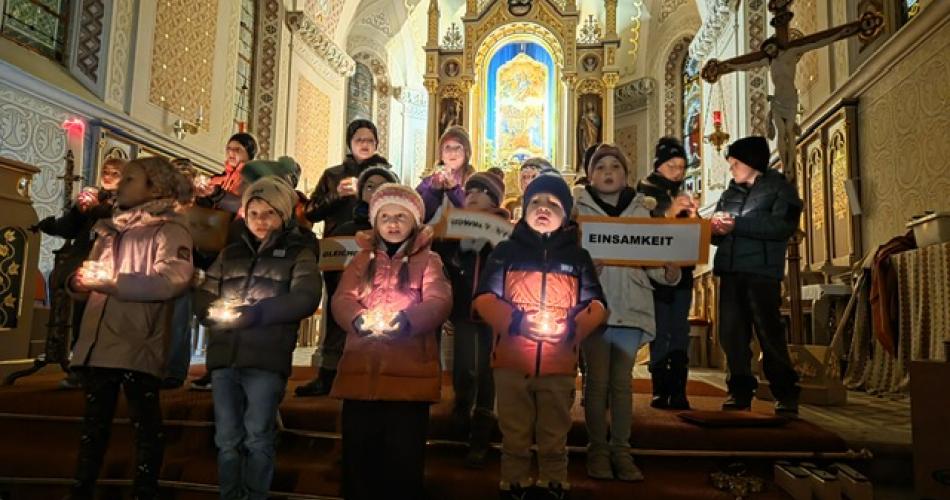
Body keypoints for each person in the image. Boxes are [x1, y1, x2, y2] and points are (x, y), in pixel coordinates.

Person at [66, 157, 195, 500]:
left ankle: (144, 491)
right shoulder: (110, 229)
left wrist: (114, 283)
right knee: (93, 426)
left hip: (138, 340)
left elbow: (172, 281)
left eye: (130, 179)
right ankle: (82, 488)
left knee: (145, 426)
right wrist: (79, 283)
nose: (120, 185)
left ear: (155, 187)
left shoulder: (170, 230)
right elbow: (93, 274)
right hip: (99, 339)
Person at [474, 174, 607, 500]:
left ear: (567, 214)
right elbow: (483, 299)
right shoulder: (505, 252)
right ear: (523, 208)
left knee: (554, 431)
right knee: (514, 431)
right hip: (511, 361)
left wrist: (572, 328)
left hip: (559, 363)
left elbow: (598, 305)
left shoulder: (578, 258)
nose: (543, 208)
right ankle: (514, 483)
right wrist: (517, 322)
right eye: (535, 202)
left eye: (553, 203)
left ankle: (553, 483)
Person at [196, 176, 322, 500]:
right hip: (225, 358)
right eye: (254, 214)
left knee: (257, 437)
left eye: (269, 214)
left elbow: (306, 296)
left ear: (283, 215)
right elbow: (205, 292)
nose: (261, 221)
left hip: (266, 359)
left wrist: (258, 313)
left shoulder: (299, 253)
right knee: (226, 439)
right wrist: (212, 311)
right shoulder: (231, 252)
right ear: (244, 214)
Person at [330, 183, 452, 500]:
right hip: (362, 373)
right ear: (375, 221)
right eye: (385, 216)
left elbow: (439, 302)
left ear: (415, 222)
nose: (393, 223)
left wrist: (408, 321)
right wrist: (357, 319)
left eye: (401, 216)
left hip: (408, 376)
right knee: (359, 458)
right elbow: (342, 298)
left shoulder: (430, 261)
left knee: (403, 460)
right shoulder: (360, 261)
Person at [574, 144, 680, 481]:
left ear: (626, 175)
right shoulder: (578, 214)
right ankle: (597, 450)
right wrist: (586, 268)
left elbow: (653, 265)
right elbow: (565, 264)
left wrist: (669, 271)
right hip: (594, 309)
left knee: (622, 384)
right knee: (596, 383)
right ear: (590, 175)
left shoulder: (642, 212)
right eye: (601, 166)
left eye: (615, 167)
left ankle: (621, 449)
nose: (608, 172)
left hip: (632, 306)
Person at [710, 136, 802, 417]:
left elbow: (780, 226)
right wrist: (715, 229)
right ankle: (738, 391)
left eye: (735, 163)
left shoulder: (781, 190)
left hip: (762, 273)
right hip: (730, 273)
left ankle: (785, 393)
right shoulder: (729, 194)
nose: (732, 169)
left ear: (751, 163)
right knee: (732, 335)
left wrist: (736, 224)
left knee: (769, 333)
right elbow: (716, 233)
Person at [294, 162, 399, 397]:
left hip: (383, 304)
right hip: (346, 296)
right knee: (336, 328)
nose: (375, 191)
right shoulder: (345, 228)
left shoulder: (398, 228)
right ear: (361, 192)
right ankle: (327, 376)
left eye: (382, 187)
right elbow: (333, 262)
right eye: (369, 186)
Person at [33, 157, 125, 389]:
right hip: (85, 263)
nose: (109, 174)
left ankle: (106, 370)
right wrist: (50, 225)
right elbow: (71, 227)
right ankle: (80, 369)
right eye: (106, 170)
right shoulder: (92, 197)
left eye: (115, 172)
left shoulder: (127, 201)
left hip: (112, 266)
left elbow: (117, 222)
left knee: (106, 322)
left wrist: (95, 208)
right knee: (82, 319)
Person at [443, 172, 510, 469]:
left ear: (494, 199)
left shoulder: (506, 229)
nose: (472, 195)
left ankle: (481, 432)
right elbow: (442, 260)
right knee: (463, 368)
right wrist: (458, 251)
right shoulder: (453, 226)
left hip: (493, 314)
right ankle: (460, 411)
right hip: (462, 310)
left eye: (481, 191)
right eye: (469, 190)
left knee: (486, 372)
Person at [636, 137, 699, 410]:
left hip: (683, 271)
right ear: (659, 165)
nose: (678, 172)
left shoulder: (682, 190)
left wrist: (695, 215)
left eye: (682, 167)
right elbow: (644, 226)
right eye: (672, 165)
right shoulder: (645, 189)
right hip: (655, 272)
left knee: (679, 330)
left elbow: (693, 232)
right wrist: (672, 211)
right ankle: (660, 389)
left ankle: (679, 390)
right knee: (661, 331)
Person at [305, 119, 388, 236]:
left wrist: (364, 193)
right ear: (350, 143)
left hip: (374, 241)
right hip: (337, 245)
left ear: (376, 144)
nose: (365, 144)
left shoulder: (387, 176)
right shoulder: (332, 174)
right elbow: (311, 214)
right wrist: (336, 195)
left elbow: (395, 210)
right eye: (359, 140)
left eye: (370, 140)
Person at [416, 126, 476, 223]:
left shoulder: (475, 182)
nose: (452, 152)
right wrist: (433, 191)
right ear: (441, 154)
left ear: (467, 152)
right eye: (447, 147)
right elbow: (418, 215)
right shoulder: (427, 183)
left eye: (458, 148)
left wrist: (454, 189)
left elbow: (475, 215)